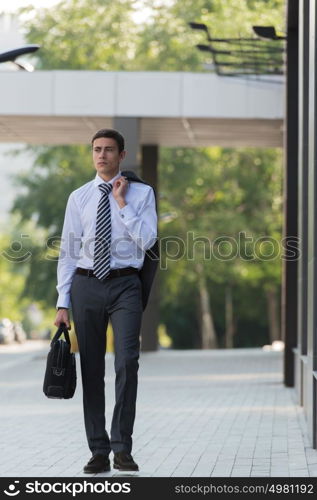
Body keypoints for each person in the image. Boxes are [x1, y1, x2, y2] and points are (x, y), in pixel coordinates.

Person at [54, 128, 158, 474]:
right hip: (86, 286)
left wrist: (122, 203)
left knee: (127, 361)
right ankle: (98, 449)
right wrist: (62, 302)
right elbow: (68, 253)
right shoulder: (79, 197)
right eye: (97, 150)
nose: (102, 155)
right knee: (91, 369)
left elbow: (147, 240)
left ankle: (122, 447)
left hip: (125, 284)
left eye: (109, 150)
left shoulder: (142, 194)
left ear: (122, 156)